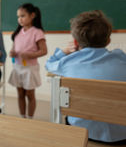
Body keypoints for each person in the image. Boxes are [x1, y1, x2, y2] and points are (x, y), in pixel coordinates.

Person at [45, 10, 126, 143]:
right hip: (122, 136)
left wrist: (65, 51)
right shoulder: (122, 58)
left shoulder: (68, 62)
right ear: (108, 41)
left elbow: (49, 64)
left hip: (82, 133)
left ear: (75, 42)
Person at [8, 3, 47, 119]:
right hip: (17, 67)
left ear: (32, 15)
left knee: (30, 94)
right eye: (18, 16)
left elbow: (44, 51)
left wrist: (29, 55)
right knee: (20, 94)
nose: (20, 19)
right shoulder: (17, 33)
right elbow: (14, 48)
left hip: (30, 68)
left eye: (23, 16)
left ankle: (30, 118)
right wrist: (12, 52)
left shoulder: (37, 32)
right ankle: (22, 117)